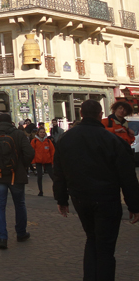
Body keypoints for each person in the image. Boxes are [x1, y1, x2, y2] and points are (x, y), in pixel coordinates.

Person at [54, 99, 139, 281]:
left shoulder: (66, 139)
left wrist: (61, 199)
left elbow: (58, 172)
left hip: (80, 198)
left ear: (81, 114)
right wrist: (134, 205)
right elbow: (127, 176)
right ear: (100, 115)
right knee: (105, 247)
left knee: (92, 239)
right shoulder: (112, 140)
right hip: (106, 198)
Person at [0, 113, 35, 250]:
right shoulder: (18, 134)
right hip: (16, 175)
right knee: (19, 204)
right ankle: (21, 233)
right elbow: (30, 152)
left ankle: (2, 238)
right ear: (11, 121)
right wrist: (21, 165)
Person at [30, 126, 55, 196]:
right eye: (41, 132)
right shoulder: (34, 141)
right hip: (38, 162)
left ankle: (56, 191)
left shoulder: (48, 141)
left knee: (53, 176)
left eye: (43, 132)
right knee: (39, 177)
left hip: (48, 162)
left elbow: (52, 152)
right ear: (38, 133)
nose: (42, 133)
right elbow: (32, 153)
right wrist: (33, 162)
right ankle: (40, 191)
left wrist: (53, 162)